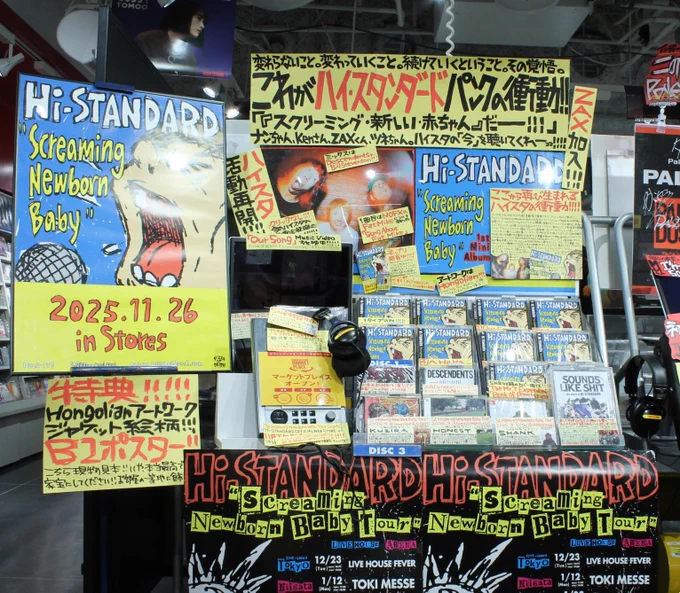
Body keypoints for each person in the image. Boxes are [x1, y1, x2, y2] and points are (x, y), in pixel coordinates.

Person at [136, 1, 207, 74]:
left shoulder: (189, 55)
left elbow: (189, 80)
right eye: (199, 18)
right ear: (185, 16)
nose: (202, 26)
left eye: (203, 21)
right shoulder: (146, 40)